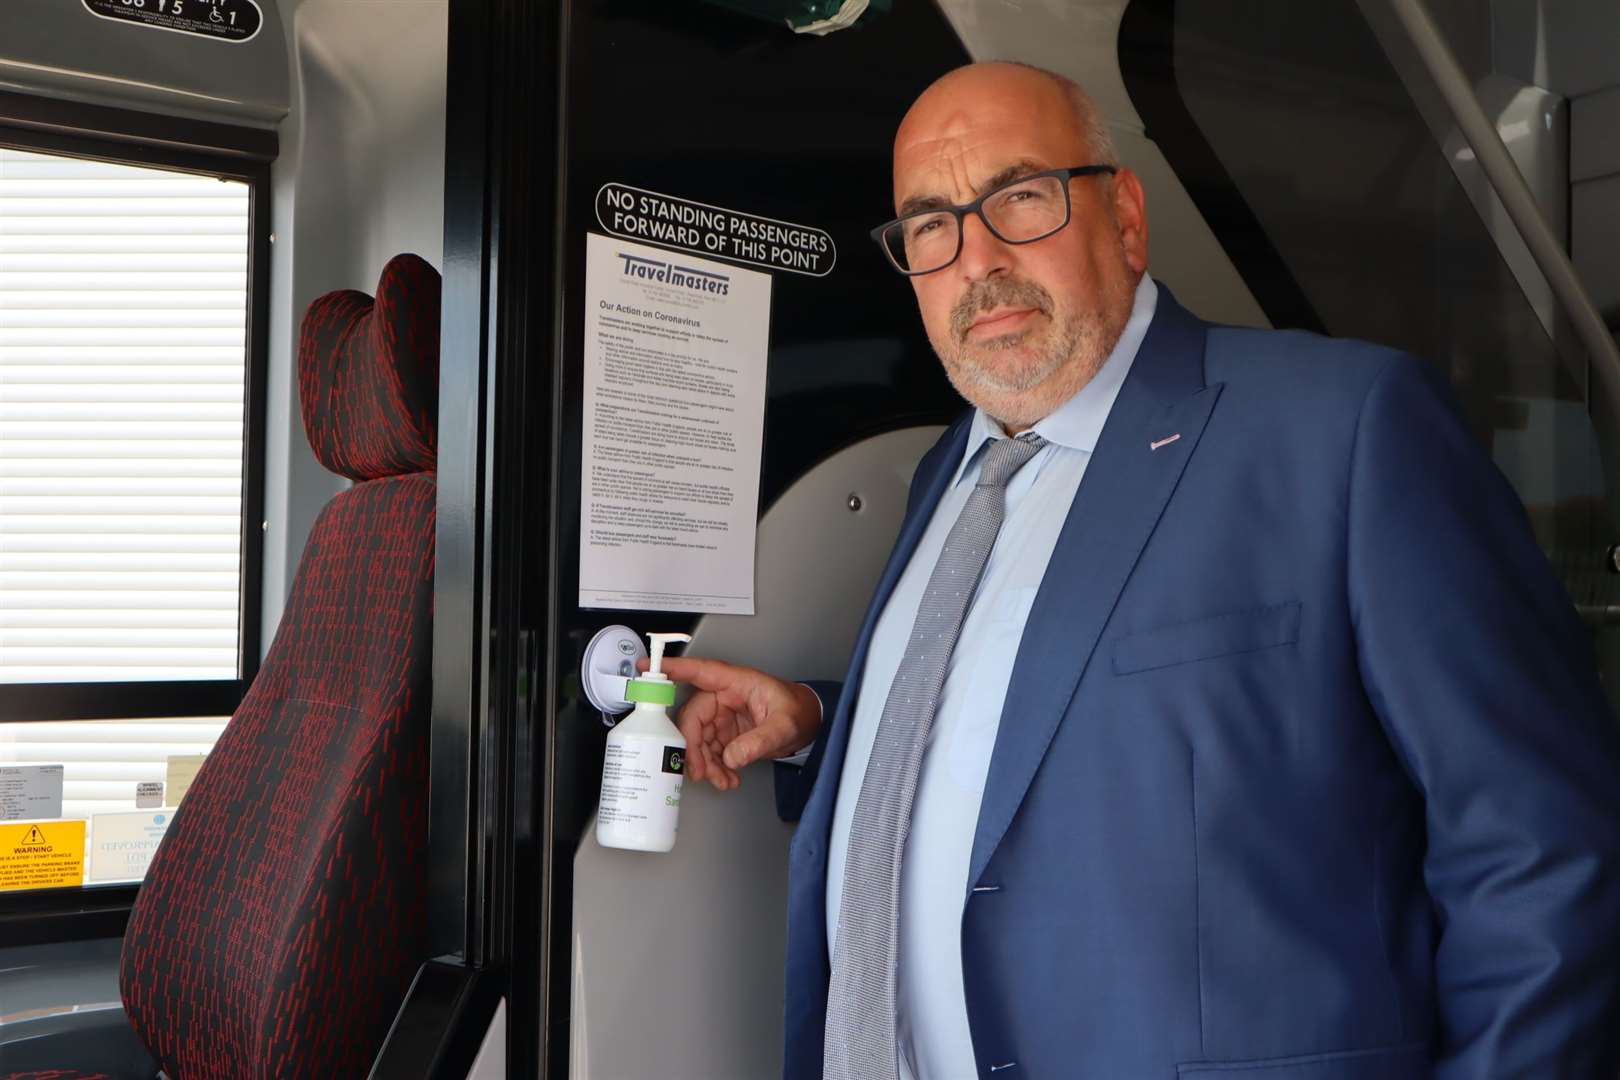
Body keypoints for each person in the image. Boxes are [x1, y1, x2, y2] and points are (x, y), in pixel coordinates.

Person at [653, 61, 1620, 1079]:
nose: (974, 258)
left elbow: (1544, 851)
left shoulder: (1343, 428)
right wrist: (823, 727)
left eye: (1019, 196)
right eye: (930, 224)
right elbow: (1074, 729)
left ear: (1123, 216)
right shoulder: (951, 467)